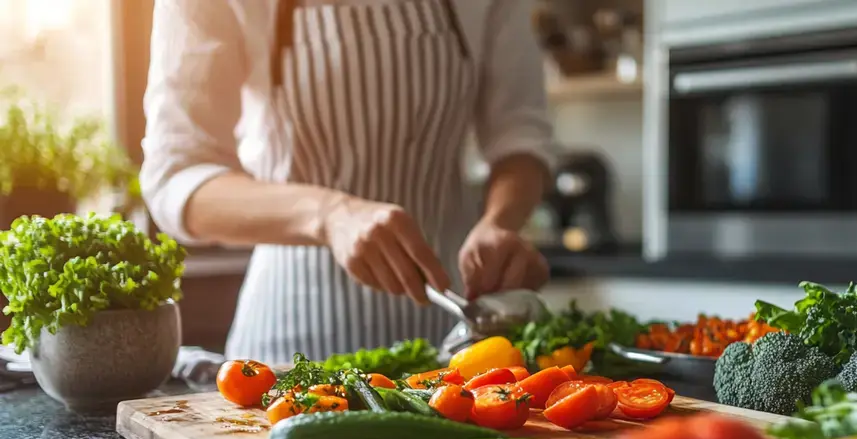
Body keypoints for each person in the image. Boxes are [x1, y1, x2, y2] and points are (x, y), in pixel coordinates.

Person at [140, 0, 554, 364]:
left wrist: (499, 221)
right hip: (292, 352)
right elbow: (178, 177)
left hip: (456, 344)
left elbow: (520, 137)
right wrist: (330, 214)